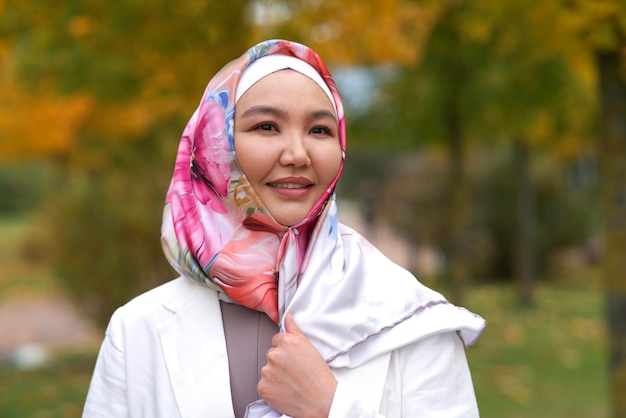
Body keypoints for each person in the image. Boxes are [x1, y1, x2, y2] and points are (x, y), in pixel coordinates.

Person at [82, 39, 486, 418]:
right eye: (267, 127)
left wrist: (331, 407)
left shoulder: (411, 320)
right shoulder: (138, 331)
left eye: (319, 130)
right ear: (215, 144)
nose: (297, 154)